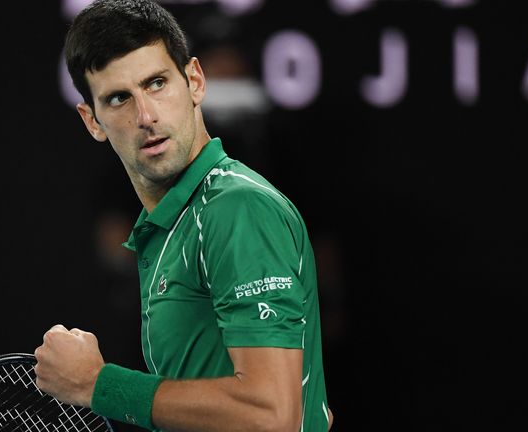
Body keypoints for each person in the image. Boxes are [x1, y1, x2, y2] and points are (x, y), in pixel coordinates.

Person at [34, 1, 333, 431]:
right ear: (92, 121)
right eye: (119, 99)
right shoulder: (169, 227)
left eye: (156, 83)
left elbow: (272, 416)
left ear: (194, 81)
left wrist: (97, 384)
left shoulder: (235, 209)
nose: (146, 116)